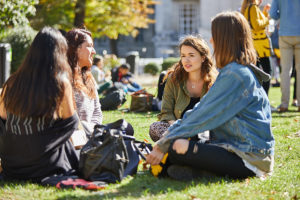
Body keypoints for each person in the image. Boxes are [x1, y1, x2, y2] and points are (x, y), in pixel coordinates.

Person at [146, 11, 275, 181]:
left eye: (214, 36)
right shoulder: (235, 70)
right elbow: (201, 110)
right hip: (236, 148)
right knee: (176, 147)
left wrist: (164, 143)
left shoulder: (235, 75)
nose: (212, 41)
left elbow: (202, 114)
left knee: (176, 147)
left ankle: (199, 173)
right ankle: (194, 171)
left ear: (224, 39)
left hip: (250, 158)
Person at [0, 27, 79, 182]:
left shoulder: (12, 82)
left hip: (12, 164)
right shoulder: (61, 83)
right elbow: (70, 121)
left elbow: (2, 117)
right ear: (60, 53)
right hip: (45, 164)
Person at [149, 35, 218, 142]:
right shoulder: (174, 79)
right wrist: (177, 129)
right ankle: (183, 145)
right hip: (177, 129)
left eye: (191, 55)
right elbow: (166, 111)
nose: (186, 60)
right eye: (183, 56)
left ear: (203, 58)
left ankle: (184, 146)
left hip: (204, 130)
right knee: (155, 127)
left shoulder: (214, 81)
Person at [66, 28, 103, 135]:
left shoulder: (88, 78)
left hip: (91, 134)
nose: (94, 51)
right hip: (72, 137)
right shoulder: (63, 79)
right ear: (75, 49)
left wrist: (93, 131)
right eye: (89, 46)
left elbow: (97, 111)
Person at [269, 0, 300, 112]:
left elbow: (272, 14)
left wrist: (282, 15)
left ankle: (284, 104)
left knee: (285, 70)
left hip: (285, 33)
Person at [241, 0, 272, 96]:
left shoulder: (249, 7)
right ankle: (264, 99)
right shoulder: (253, 7)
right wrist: (268, 19)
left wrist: (265, 12)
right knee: (266, 73)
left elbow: (254, 22)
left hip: (255, 45)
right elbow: (257, 25)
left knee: (257, 73)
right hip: (260, 46)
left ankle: (258, 98)